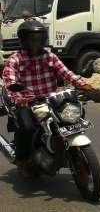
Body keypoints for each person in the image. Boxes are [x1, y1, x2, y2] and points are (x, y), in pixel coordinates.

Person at [2, 19, 93, 177]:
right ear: (24, 40)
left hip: (49, 99)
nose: (35, 42)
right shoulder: (15, 59)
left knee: (74, 116)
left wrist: (82, 84)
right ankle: (23, 159)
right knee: (28, 128)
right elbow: (10, 82)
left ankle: (62, 149)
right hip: (27, 101)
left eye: (38, 38)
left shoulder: (49, 57)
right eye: (31, 38)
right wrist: (20, 98)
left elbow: (65, 72)